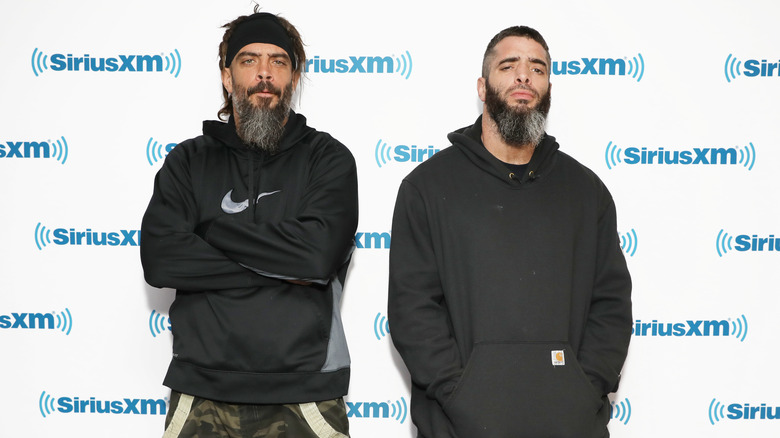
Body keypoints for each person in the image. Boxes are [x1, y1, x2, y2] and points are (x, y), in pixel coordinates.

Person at [388, 25, 632, 438]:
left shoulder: (586, 192)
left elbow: (610, 306)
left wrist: (583, 389)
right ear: (483, 87)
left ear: (548, 87)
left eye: (537, 68)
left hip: (570, 425)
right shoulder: (427, 187)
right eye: (509, 65)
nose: (524, 76)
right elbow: (413, 310)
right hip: (458, 426)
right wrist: (460, 393)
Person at [140, 10, 357, 438]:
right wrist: (280, 270)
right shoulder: (188, 161)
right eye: (249, 60)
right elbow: (162, 260)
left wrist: (213, 231)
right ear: (226, 76)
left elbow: (315, 258)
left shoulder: (328, 159)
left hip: (306, 390)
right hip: (201, 390)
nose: (264, 73)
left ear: (294, 77)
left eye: (278, 61)